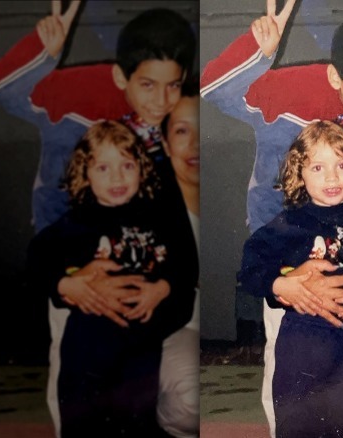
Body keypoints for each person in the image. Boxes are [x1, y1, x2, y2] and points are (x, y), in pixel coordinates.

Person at [0, 3, 198, 435]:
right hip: (71, 265)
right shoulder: (81, 99)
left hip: (137, 300)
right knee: (74, 390)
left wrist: (165, 286)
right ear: (123, 78)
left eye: (172, 85)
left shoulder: (166, 133)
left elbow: (178, 248)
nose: (161, 100)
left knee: (134, 402)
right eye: (148, 85)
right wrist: (43, 52)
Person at [201, 0, 343, 432]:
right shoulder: (293, 92)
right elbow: (212, 90)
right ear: (336, 76)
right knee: (288, 369)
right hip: (285, 248)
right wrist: (258, 52)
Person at [26, 120, 197, 437]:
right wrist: (66, 284)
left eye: (127, 165)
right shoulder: (78, 220)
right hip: (87, 349)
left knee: (136, 420)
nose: (117, 177)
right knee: (84, 423)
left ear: (141, 169)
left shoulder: (156, 218)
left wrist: (163, 286)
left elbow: (182, 265)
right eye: (103, 168)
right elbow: (37, 257)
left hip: (141, 347)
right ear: (85, 173)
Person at [238, 120, 343, 437]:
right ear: (299, 173)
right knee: (299, 419)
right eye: (317, 167)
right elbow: (251, 265)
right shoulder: (291, 220)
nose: (332, 177)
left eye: (342, 165)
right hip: (305, 337)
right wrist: (280, 284)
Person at [157, 83, 201, 438]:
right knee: (188, 399)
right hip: (174, 325)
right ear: (166, 143)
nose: (195, 144)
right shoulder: (145, 202)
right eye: (183, 131)